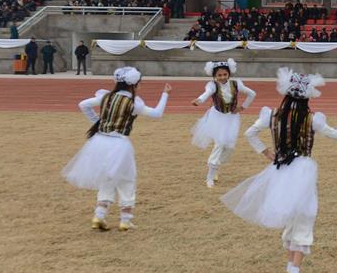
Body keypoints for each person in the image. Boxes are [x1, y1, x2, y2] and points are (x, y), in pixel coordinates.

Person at [221, 67, 337, 273]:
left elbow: (249, 134)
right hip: (302, 170)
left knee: (292, 219)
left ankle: (291, 269)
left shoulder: (272, 115)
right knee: (303, 219)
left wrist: (266, 152)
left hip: (280, 170)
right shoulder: (311, 119)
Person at [62, 67, 171, 231]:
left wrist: (97, 121)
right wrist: (165, 94)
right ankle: (125, 220)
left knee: (107, 178)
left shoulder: (106, 97)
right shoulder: (133, 103)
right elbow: (157, 113)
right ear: (134, 84)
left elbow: (83, 104)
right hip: (119, 143)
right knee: (127, 179)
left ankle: (99, 216)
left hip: (99, 141)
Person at [190, 59, 256, 187]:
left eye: (225, 74)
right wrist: (199, 100)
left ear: (229, 74)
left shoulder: (236, 84)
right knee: (219, 144)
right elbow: (206, 93)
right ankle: (209, 176)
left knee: (229, 147)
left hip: (231, 118)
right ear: (214, 76)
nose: (222, 77)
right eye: (219, 75)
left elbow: (252, 94)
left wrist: (243, 107)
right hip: (217, 117)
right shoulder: (212, 85)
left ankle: (215, 167)